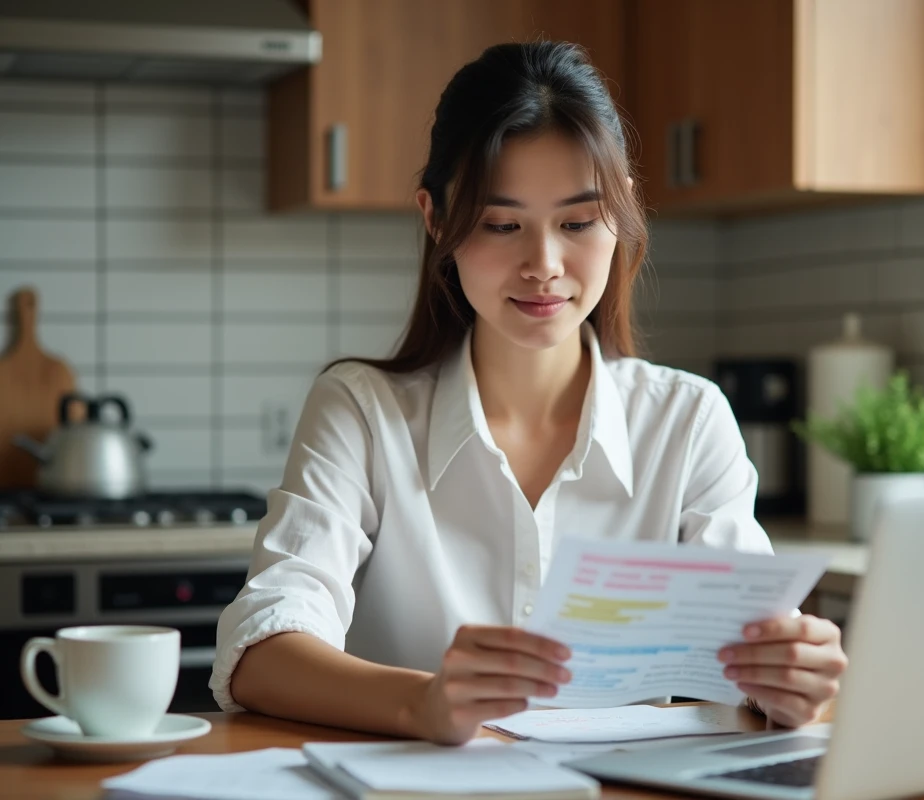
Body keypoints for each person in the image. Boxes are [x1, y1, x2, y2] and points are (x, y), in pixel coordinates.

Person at [211, 40, 847, 746]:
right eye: (500, 224)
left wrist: (791, 682)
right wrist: (421, 704)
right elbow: (261, 651)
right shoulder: (361, 410)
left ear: (622, 213)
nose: (543, 265)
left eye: (577, 223)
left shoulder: (689, 420)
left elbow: (752, 660)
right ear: (435, 218)